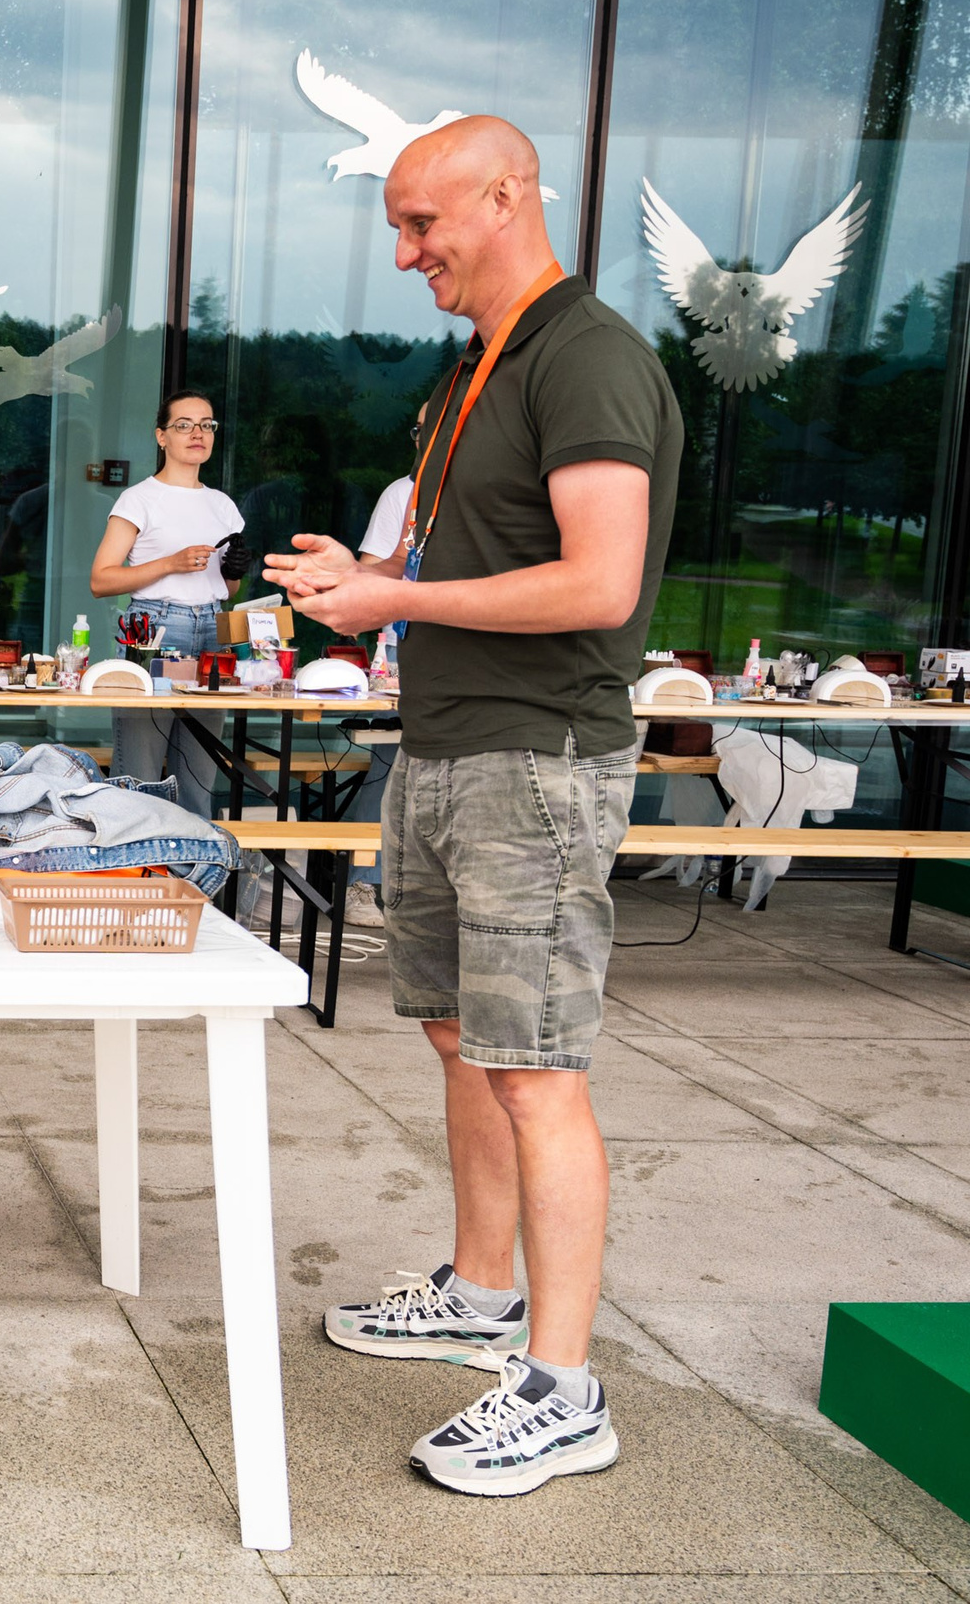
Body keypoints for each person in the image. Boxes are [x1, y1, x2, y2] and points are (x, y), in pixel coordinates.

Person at [263, 116, 680, 1497]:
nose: (405, 253)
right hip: (444, 747)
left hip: (534, 759)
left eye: (421, 223)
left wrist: (395, 593)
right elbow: (469, 556)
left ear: (506, 196)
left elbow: (600, 581)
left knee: (535, 1066)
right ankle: (480, 1291)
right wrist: (365, 572)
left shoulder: (587, 354)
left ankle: (563, 1389)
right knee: (462, 1038)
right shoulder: (476, 365)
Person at [89, 390, 243, 816]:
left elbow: (226, 590)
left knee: (199, 772)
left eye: (207, 425)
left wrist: (234, 573)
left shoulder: (222, 505)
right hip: (155, 629)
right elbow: (101, 580)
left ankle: (192, 858)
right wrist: (170, 563)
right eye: (184, 425)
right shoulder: (139, 498)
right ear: (161, 436)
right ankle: (135, 857)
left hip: (212, 631)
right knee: (140, 773)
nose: (198, 433)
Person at [335, 396, 435, 931]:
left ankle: (424, 890)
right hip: (403, 646)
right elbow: (373, 570)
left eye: (434, 426)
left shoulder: (491, 489)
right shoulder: (403, 492)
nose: (425, 438)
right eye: (418, 430)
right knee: (391, 763)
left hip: (468, 653)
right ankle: (363, 883)